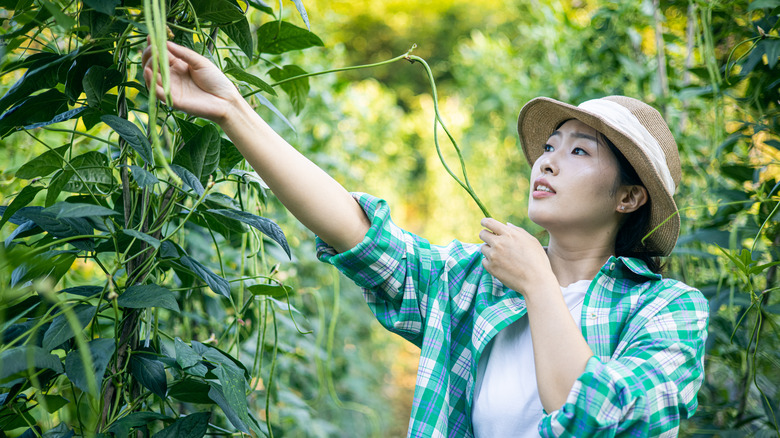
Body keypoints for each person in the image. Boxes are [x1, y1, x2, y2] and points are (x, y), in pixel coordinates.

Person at [143, 41, 709, 437]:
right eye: (550, 145)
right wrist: (231, 110)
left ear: (628, 198)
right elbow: (355, 231)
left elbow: (588, 415)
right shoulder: (474, 283)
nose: (549, 161)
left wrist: (538, 283)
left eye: (579, 150)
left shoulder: (668, 310)